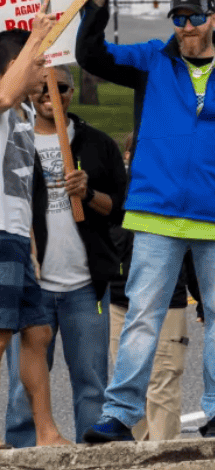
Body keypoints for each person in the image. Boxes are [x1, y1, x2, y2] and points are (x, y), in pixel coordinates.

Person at [76, 0, 215, 443]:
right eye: (178, 17)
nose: (186, 26)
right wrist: (97, 3)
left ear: (213, 17)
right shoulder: (151, 59)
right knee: (142, 315)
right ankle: (119, 414)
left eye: (195, 17)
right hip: (155, 212)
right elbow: (91, 56)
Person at [4, 66, 124, 447]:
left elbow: (119, 208)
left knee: (92, 384)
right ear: (28, 93)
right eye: (41, 88)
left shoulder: (97, 144)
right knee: (22, 389)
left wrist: (87, 194)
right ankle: (22, 454)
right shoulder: (14, 142)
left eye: (60, 87)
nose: (49, 94)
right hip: (32, 285)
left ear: (71, 92)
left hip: (85, 287)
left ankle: (90, 456)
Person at [0, 22, 71, 447]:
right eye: (38, 63)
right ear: (15, 65)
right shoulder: (3, 103)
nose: (45, 73)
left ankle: (46, 433)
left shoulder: (24, 115)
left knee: (37, 332)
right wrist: (35, 37)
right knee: (0, 332)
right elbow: (5, 94)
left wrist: (31, 247)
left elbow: (22, 189)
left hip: (15, 239)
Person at [106, 134, 197, 442]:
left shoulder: (180, 193)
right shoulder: (114, 196)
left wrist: (204, 298)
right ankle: (140, 453)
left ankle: (165, 453)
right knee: (129, 384)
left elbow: (195, 250)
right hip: (121, 303)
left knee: (163, 381)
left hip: (167, 301)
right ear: (127, 156)